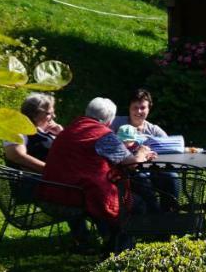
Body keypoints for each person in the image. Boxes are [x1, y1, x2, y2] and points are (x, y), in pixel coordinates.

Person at [41, 97, 156, 243]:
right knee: (137, 203)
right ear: (109, 120)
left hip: (51, 192)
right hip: (74, 196)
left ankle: (104, 237)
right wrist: (142, 152)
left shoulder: (69, 129)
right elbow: (131, 164)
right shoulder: (103, 135)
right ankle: (120, 247)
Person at [113, 88, 178, 211]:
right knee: (141, 178)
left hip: (151, 170)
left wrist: (154, 154)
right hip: (125, 172)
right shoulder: (116, 123)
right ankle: (155, 213)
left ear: (149, 109)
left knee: (171, 176)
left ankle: (170, 212)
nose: (138, 111)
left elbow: (170, 147)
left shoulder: (154, 130)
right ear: (129, 108)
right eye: (135, 107)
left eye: (142, 108)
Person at [2, 93, 63, 172]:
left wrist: (61, 135)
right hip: (36, 177)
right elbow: (16, 155)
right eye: (48, 113)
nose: (54, 116)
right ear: (34, 115)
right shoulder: (18, 129)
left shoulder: (45, 130)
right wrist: (51, 171)